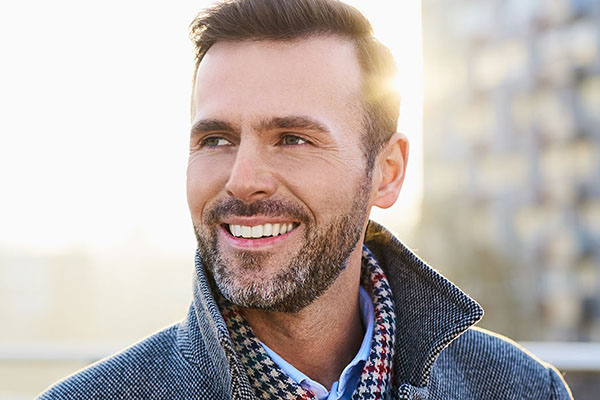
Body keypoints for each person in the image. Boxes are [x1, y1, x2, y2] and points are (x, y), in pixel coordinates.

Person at [38, 0, 573, 399]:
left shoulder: (520, 389)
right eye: (216, 140)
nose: (243, 179)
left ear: (387, 173)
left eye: (293, 139)